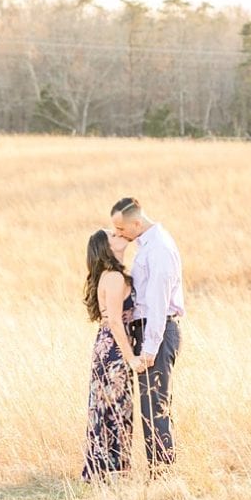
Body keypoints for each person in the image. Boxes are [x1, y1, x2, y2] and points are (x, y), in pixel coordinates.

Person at [110, 196, 184, 470]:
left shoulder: (159, 249)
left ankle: (163, 473)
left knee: (156, 406)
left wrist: (150, 348)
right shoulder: (148, 246)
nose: (118, 234)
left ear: (137, 223)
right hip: (151, 331)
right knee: (150, 405)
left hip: (159, 332)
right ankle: (158, 470)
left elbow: (157, 303)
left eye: (121, 229)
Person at [81, 228, 143, 481]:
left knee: (107, 407)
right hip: (115, 350)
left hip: (106, 346)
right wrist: (131, 358)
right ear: (108, 248)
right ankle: (114, 473)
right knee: (117, 409)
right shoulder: (115, 278)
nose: (120, 236)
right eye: (113, 236)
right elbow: (116, 322)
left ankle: (105, 471)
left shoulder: (110, 275)